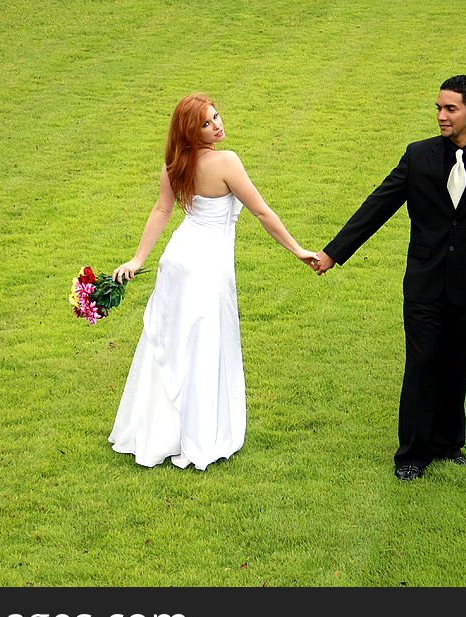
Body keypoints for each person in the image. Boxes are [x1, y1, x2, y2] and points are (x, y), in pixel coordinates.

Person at [314, 75, 466, 481]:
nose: (441, 116)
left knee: (456, 365)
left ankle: (449, 445)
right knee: (422, 364)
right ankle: (411, 454)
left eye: (450, 109)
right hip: (424, 285)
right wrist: (332, 253)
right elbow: (377, 205)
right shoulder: (419, 156)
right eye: (438, 108)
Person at [109, 92, 318, 470]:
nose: (217, 125)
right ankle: (198, 433)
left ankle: (159, 431)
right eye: (206, 123)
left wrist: (140, 259)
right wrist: (297, 249)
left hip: (178, 259)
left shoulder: (175, 164)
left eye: (216, 117)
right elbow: (261, 211)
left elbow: (162, 209)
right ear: (191, 131)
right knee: (203, 346)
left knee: (173, 344)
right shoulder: (226, 162)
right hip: (206, 267)